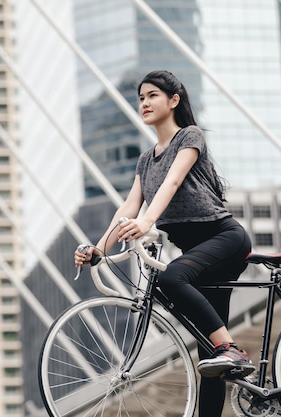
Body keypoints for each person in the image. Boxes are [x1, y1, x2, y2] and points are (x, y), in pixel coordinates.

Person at [74, 70, 254, 415]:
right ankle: (224, 352)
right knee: (209, 360)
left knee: (172, 278)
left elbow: (171, 183)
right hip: (197, 254)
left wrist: (146, 221)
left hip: (224, 239)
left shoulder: (190, 137)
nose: (144, 102)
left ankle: (231, 347)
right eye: (140, 97)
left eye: (152, 95)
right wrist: (99, 248)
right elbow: (129, 207)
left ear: (174, 101)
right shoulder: (146, 159)